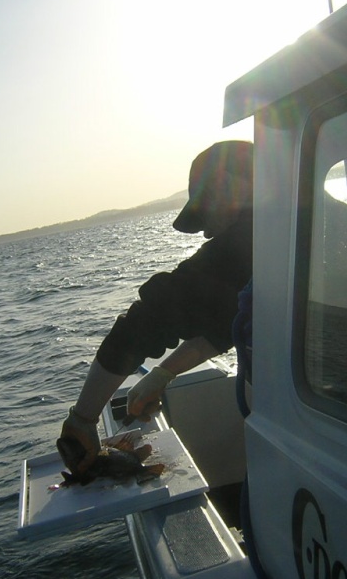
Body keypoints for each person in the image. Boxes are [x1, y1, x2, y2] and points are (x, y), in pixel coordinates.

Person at [58, 140, 254, 473]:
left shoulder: (248, 238)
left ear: (228, 188)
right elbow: (226, 322)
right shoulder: (304, 220)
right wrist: (164, 373)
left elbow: (149, 321)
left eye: (205, 213)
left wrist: (82, 418)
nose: (205, 231)